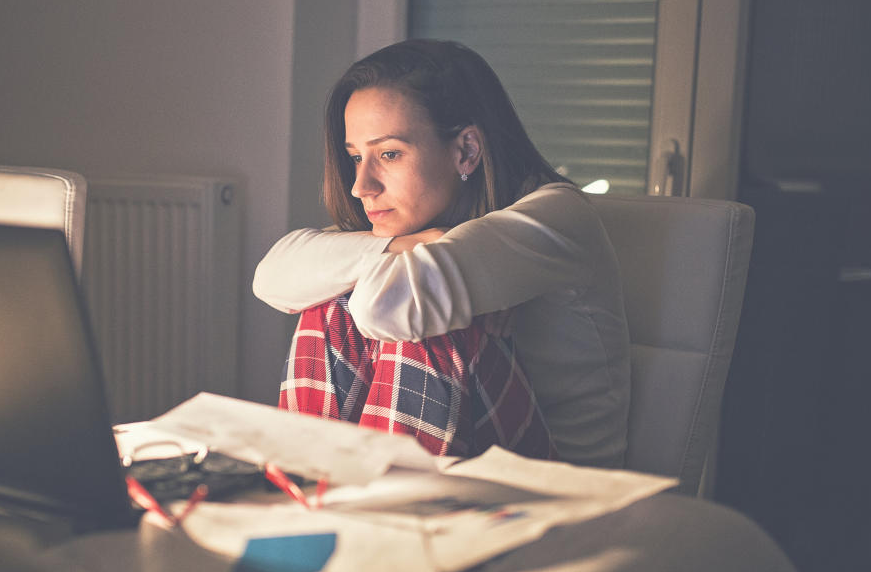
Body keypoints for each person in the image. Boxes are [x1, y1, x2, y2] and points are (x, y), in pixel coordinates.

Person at [253, 40, 630, 468]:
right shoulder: (413, 227)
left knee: (417, 315)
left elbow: (387, 309)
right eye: (356, 157)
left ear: (466, 150)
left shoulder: (558, 216)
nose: (361, 187)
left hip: (557, 487)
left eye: (389, 154)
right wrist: (394, 246)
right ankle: (315, 489)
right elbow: (271, 278)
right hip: (458, 464)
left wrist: (418, 276)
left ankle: (366, 508)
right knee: (331, 300)